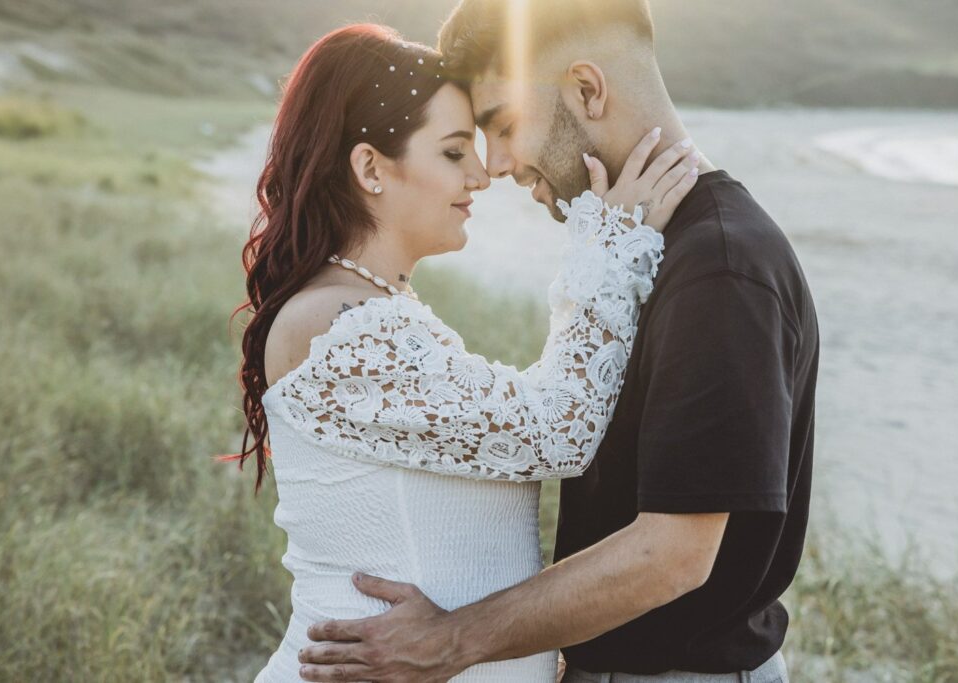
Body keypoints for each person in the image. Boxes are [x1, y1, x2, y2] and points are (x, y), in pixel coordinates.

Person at [297, 1, 819, 682]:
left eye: (503, 125)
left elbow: (672, 554)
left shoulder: (719, 266)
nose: (498, 165)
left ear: (586, 90)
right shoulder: (635, 245)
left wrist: (450, 640)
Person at [227, 22, 700, 682]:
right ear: (370, 168)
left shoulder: (377, 311)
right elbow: (556, 426)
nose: (483, 174)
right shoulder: (337, 322)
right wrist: (611, 245)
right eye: (454, 152)